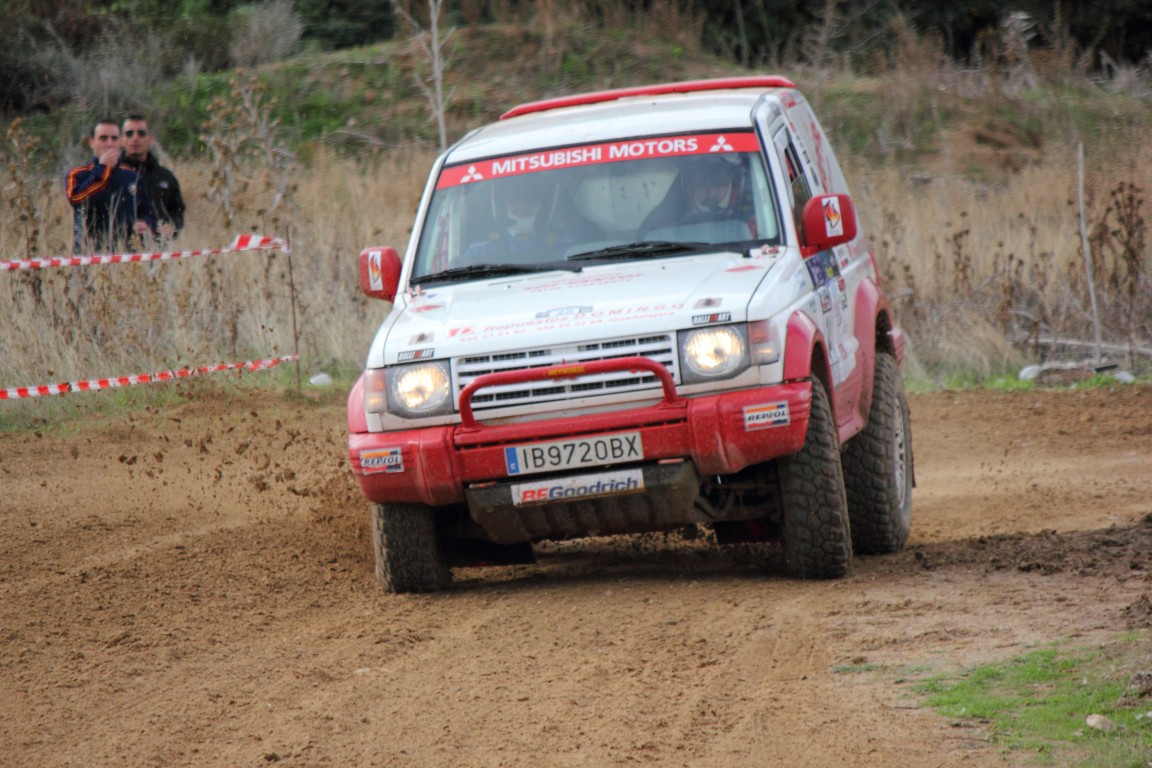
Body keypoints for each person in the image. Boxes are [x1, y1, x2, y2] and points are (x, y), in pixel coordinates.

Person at [64, 118, 155, 254]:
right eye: (103, 138)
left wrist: (146, 223)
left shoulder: (132, 177)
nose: (109, 144)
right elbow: (78, 200)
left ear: (121, 142)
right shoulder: (78, 174)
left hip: (127, 257)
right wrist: (103, 168)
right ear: (92, 142)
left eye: (114, 138)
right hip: (90, 255)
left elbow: (148, 211)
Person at [640, 154, 748, 238]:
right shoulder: (662, 224)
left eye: (720, 185)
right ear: (689, 188)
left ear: (735, 188)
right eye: (702, 186)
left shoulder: (758, 219)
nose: (711, 194)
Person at [120, 113, 185, 241]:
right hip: (122, 250)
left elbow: (177, 211)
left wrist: (172, 227)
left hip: (159, 251)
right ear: (122, 140)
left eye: (141, 133)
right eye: (129, 134)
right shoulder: (112, 175)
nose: (135, 138)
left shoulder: (165, 177)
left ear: (150, 139)